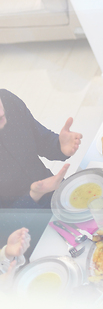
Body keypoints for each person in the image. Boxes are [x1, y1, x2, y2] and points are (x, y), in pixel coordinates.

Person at [0, 89, 82, 258]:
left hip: (58, 198)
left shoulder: (7, 99)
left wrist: (60, 145)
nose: (2, 112)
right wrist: (33, 196)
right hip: (22, 237)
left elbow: (41, 139)